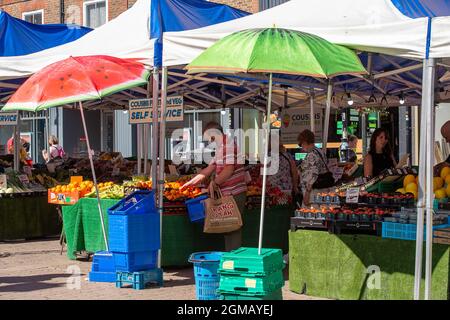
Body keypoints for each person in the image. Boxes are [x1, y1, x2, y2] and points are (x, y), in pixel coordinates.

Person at [181, 122, 247, 251]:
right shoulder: (221, 147)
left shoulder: (228, 145)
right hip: (228, 194)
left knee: (233, 227)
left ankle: (234, 259)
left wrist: (214, 183)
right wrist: (190, 182)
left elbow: (229, 170)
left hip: (234, 193)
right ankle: (231, 257)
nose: (208, 142)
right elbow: (210, 168)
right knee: (228, 228)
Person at [297, 129, 334, 206]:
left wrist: (307, 194)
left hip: (313, 193)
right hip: (323, 189)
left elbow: (312, 176)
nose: (301, 147)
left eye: (301, 144)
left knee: (311, 214)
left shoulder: (311, 155)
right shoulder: (319, 151)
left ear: (305, 142)